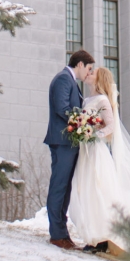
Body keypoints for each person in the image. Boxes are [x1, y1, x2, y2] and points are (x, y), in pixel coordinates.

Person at [69, 65, 130, 255]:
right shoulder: (87, 99)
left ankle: (103, 238)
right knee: (86, 190)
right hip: (85, 151)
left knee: (98, 190)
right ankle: (94, 235)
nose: (89, 73)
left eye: (92, 72)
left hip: (96, 151)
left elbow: (110, 126)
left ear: (99, 79)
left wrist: (93, 134)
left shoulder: (102, 100)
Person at [43, 49, 95, 250]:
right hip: (63, 141)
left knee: (65, 188)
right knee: (59, 187)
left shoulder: (70, 81)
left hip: (69, 142)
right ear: (80, 64)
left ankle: (62, 233)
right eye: (88, 68)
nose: (88, 73)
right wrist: (83, 122)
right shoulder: (64, 79)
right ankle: (57, 235)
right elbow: (62, 107)